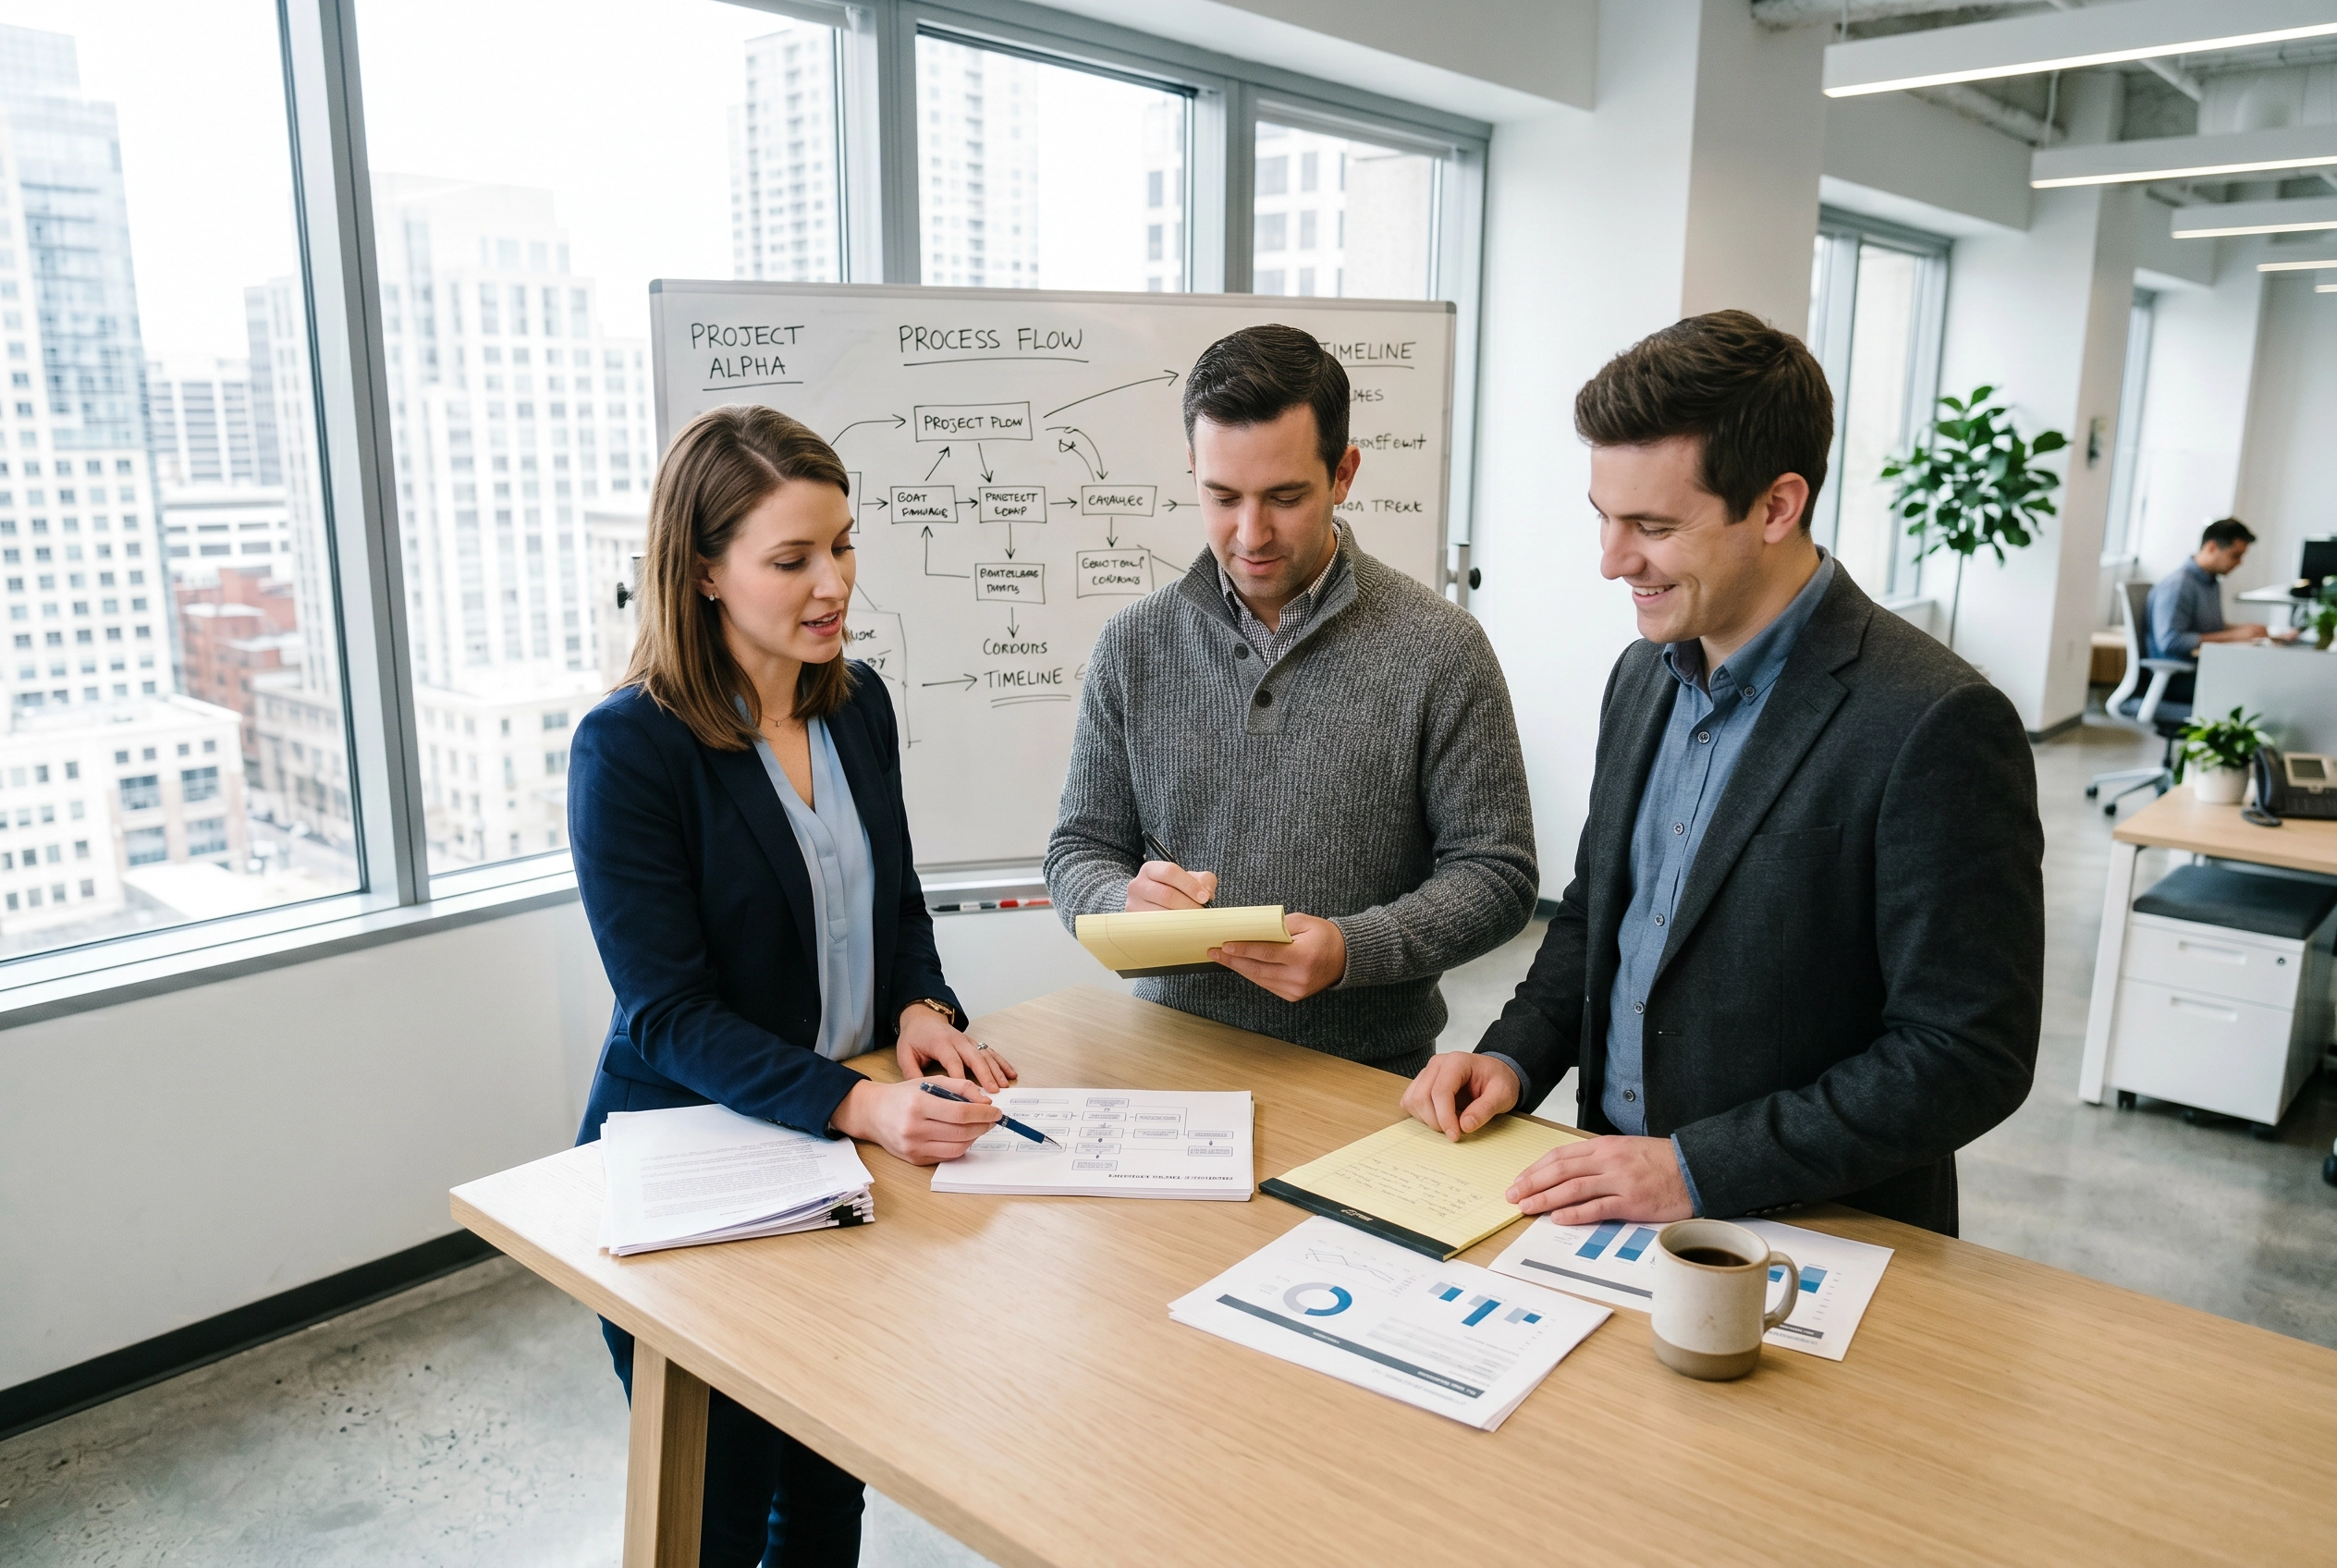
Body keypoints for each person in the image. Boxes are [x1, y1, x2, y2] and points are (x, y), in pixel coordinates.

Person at [1401, 310, 2043, 1237]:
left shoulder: (1934, 720)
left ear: (1776, 506)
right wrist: (1511, 1057)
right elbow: (1600, 914)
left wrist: (1695, 1170)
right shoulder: (1641, 675)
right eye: (1604, 519)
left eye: (1652, 526)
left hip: (1816, 1233)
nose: (1611, 561)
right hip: (1607, 1208)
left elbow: (1962, 1052)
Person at [568, 405, 1009, 1567]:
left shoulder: (857, 702)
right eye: (792, 559)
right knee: (721, 1504)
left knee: (825, 1491)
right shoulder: (629, 749)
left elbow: (899, 905)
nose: (834, 584)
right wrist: (860, 1103)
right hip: (698, 1155)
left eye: (843, 545)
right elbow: (666, 1013)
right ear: (704, 570)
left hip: (847, 1156)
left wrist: (923, 1009)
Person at [1046, 324, 1538, 1077]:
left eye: (1284, 497)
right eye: (1221, 496)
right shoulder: (1133, 644)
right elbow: (1079, 851)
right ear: (1192, 469)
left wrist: (1352, 951)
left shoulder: (1441, 648)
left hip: (1369, 1074)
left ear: (1343, 474)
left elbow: (1498, 875)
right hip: (1169, 1060)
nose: (1250, 534)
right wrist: (1119, 903)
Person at [2147, 519, 2294, 692]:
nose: (2240, 563)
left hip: (2205, 667)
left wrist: (2247, 631)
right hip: (2180, 677)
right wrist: (2237, 635)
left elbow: (2207, 627)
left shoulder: (2210, 582)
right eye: (2235, 555)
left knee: (2272, 673)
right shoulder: (2178, 585)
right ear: (2211, 547)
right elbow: (2171, 641)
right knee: (2263, 686)